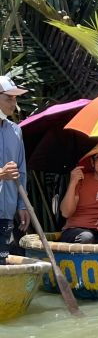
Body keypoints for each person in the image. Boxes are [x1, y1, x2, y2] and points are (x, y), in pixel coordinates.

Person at [0, 76, 30, 264]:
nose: (14, 103)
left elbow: (22, 171)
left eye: (15, 98)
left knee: (1, 264)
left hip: (6, 212)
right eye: (8, 98)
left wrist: (22, 205)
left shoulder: (15, 131)